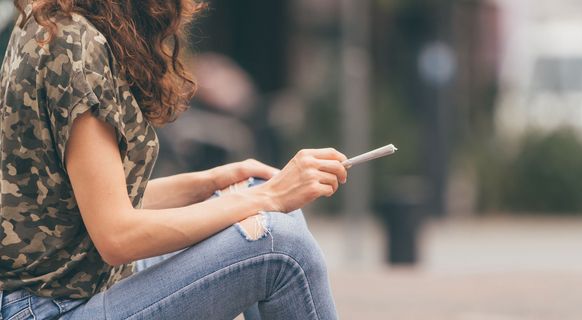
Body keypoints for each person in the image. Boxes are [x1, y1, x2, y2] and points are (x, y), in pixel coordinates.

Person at [0, 1, 347, 319]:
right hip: (52, 309)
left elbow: (90, 203)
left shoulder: (52, 19)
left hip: (63, 292)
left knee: (256, 192)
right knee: (284, 248)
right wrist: (266, 198)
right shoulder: (74, 45)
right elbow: (116, 236)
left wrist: (213, 184)